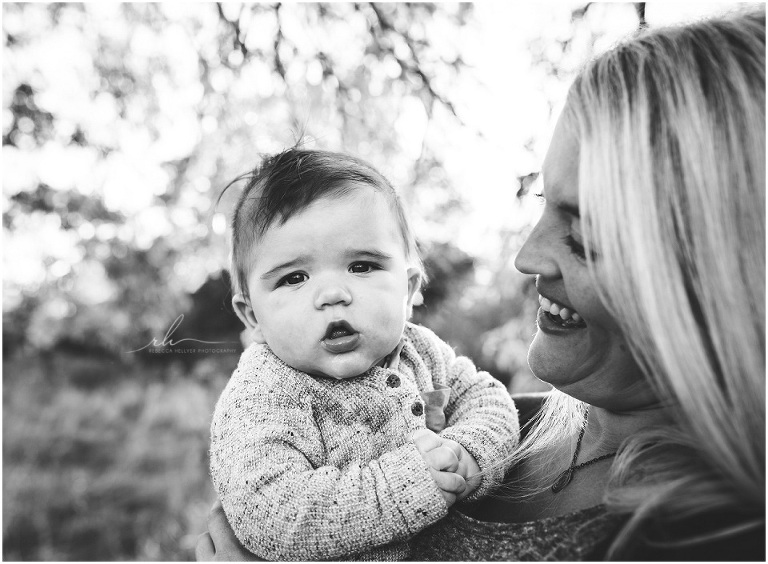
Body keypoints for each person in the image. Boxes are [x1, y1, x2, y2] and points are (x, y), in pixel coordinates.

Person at [197, 7, 765, 561]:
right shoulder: (529, 421)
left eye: (584, 236)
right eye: (544, 204)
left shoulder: (705, 540)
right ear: (249, 310)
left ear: (720, 277)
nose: (525, 256)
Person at [208, 148, 520, 561]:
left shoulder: (421, 352)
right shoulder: (262, 395)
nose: (333, 293)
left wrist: (468, 452)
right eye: (294, 277)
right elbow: (269, 511)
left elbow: (488, 400)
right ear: (253, 316)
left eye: (362, 266)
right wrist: (402, 486)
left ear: (407, 290)